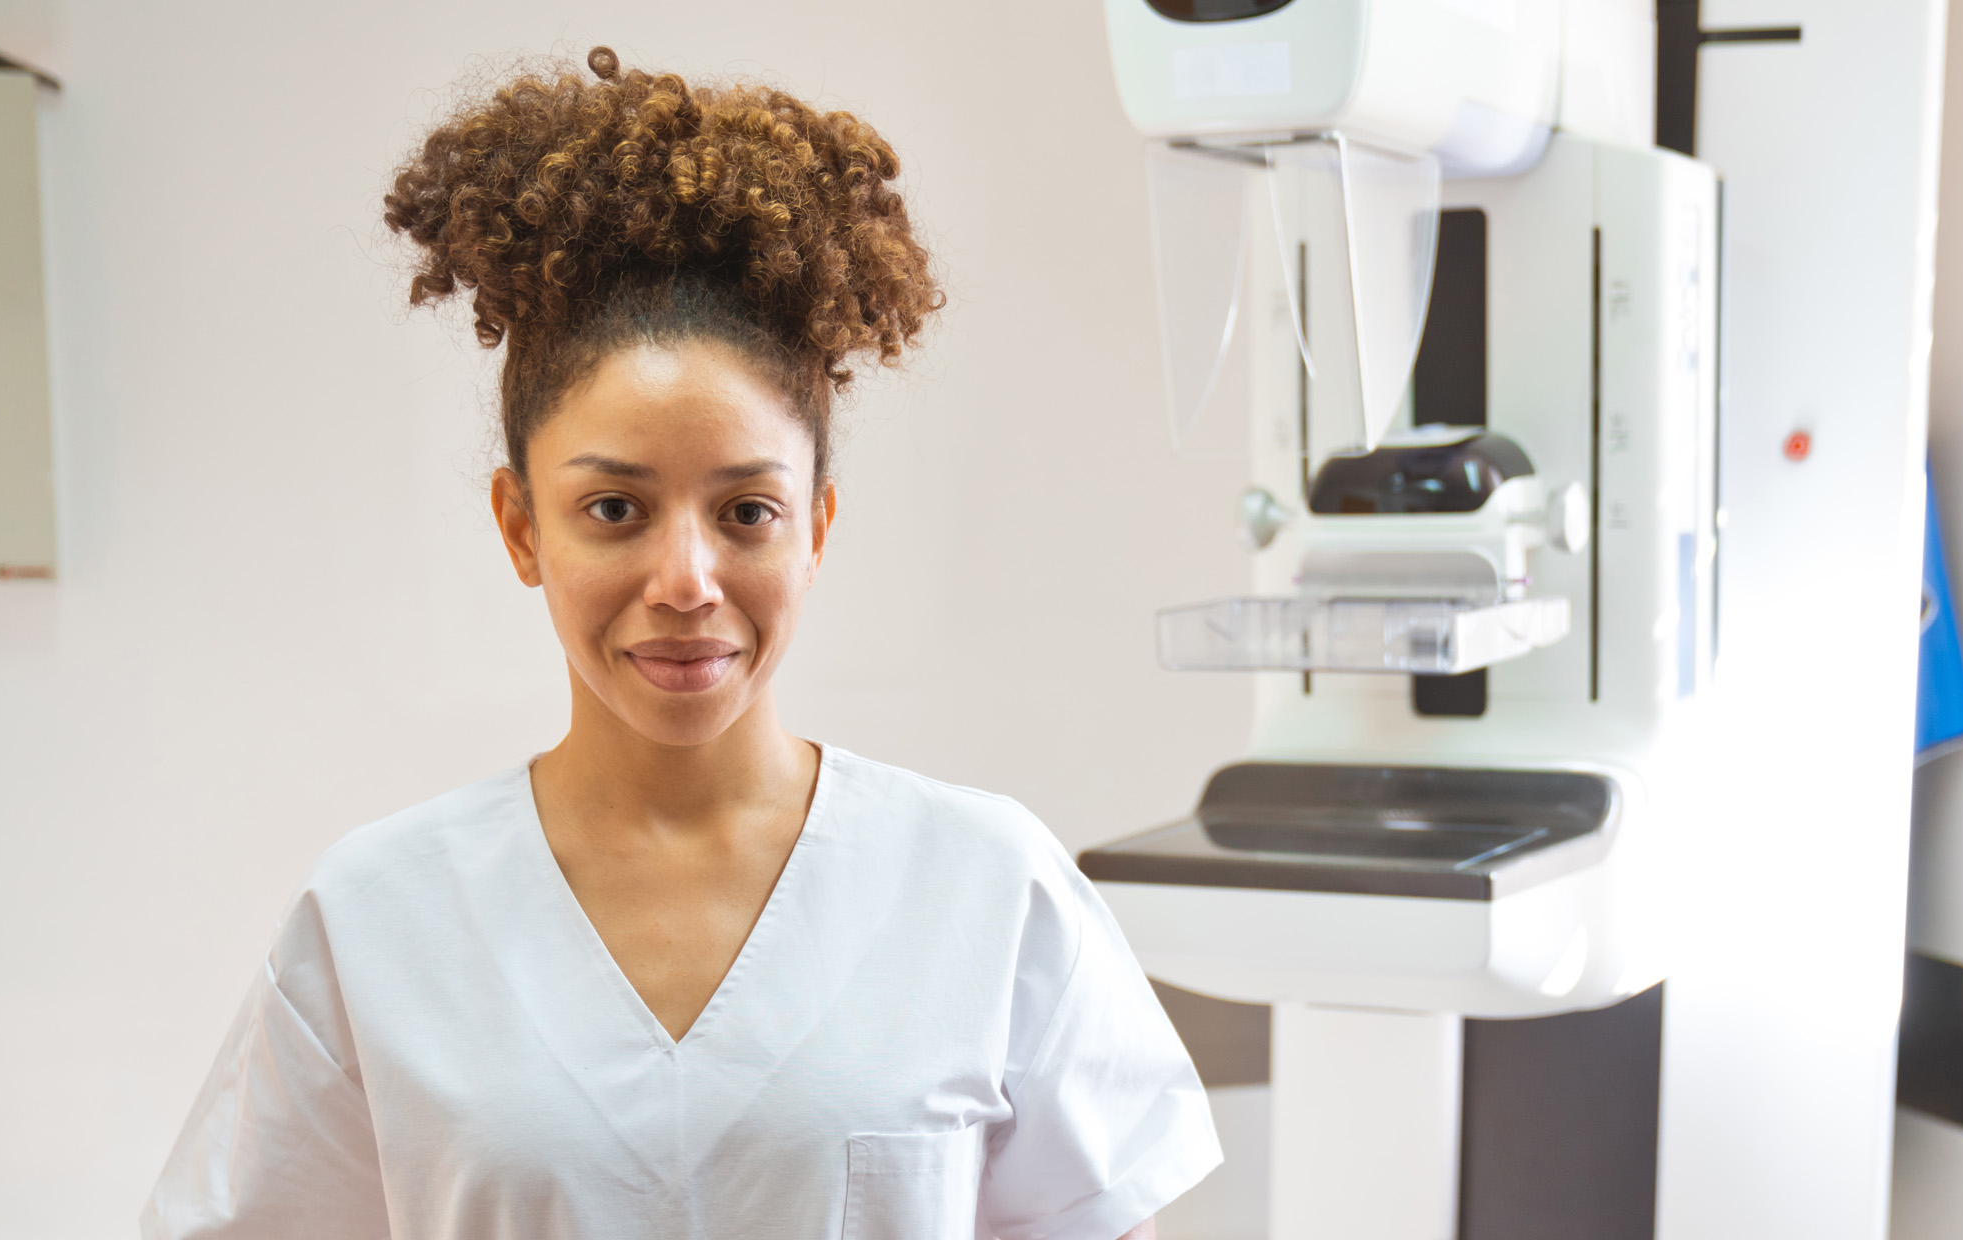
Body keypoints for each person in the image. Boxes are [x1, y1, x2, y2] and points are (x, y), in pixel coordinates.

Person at [143, 46, 1218, 1240]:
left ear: (814, 525)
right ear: (521, 526)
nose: (687, 580)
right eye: (615, 508)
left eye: (746, 510)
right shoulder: (378, 919)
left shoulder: (985, 887)